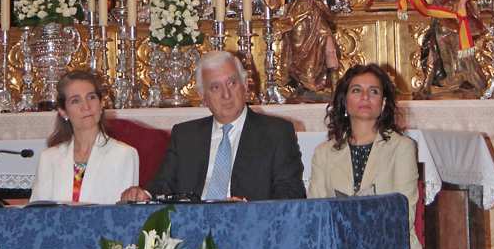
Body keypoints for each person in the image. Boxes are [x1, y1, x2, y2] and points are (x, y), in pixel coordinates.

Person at [120, 51, 306, 201]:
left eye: (232, 83)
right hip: (192, 234)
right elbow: (162, 185)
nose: (226, 95)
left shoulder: (276, 133)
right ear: (203, 96)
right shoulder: (185, 136)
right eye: (215, 87)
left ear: (245, 86)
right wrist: (143, 194)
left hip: (250, 233)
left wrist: (248, 210)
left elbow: (291, 195)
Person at [308, 63, 422, 249]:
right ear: (344, 101)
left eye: (374, 91)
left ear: (384, 103)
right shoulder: (324, 153)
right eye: (356, 90)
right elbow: (317, 212)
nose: (365, 97)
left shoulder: (402, 147)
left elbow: (403, 211)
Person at [29, 69, 139, 204]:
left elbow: (122, 216)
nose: (86, 106)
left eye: (91, 97)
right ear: (63, 112)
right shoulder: (49, 158)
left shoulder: (124, 154)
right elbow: (36, 214)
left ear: (101, 104)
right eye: (76, 101)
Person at [268, 0, 357, 99]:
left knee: (328, 45)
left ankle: (334, 86)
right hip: (298, 12)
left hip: (317, 10)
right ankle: (305, 84)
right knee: (300, 49)